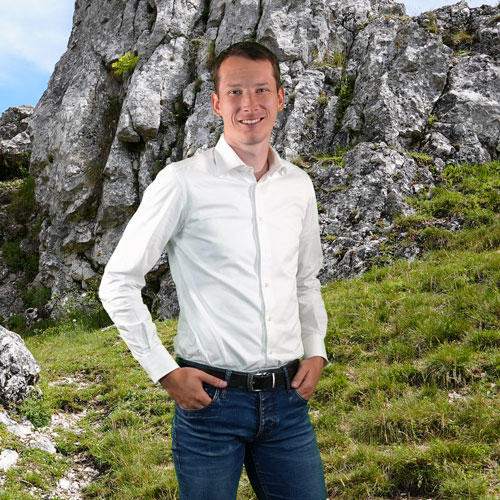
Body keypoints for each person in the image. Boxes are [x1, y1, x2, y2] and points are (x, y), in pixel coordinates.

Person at [99, 41, 328, 500]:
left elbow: (305, 279)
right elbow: (118, 282)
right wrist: (165, 372)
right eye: (236, 92)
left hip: (288, 405)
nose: (250, 104)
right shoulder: (182, 181)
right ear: (216, 102)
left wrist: (316, 348)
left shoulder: (298, 187)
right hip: (211, 403)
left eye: (261, 90)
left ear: (280, 98)